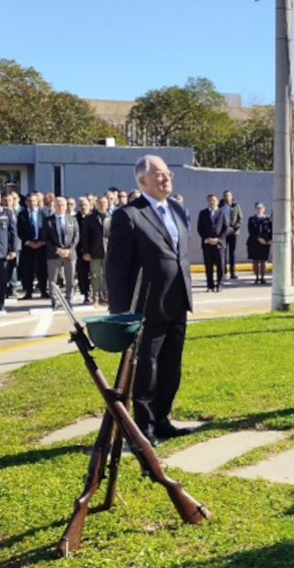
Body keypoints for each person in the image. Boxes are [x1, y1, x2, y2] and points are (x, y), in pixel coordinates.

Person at [106, 154, 193, 447]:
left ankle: (162, 418)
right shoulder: (129, 215)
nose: (166, 178)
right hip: (146, 307)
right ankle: (144, 428)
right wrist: (122, 316)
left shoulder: (178, 210)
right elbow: (116, 269)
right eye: (158, 174)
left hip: (178, 302)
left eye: (168, 173)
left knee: (171, 366)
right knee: (148, 368)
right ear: (142, 180)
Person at [41, 196, 79, 308]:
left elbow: (76, 236)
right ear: (54, 206)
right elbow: (45, 237)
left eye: (63, 205)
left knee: (70, 278)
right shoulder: (48, 220)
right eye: (58, 205)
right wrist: (57, 250)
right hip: (54, 254)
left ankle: (69, 299)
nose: (60, 207)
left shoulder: (72, 219)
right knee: (53, 278)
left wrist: (69, 250)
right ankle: (54, 300)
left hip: (69, 253)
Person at [81, 196, 110, 307]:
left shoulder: (111, 217)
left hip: (108, 250)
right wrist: (86, 251)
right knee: (95, 275)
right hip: (94, 251)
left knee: (107, 275)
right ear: (96, 204)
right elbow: (84, 237)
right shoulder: (89, 219)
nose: (102, 205)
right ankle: (96, 297)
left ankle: (106, 296)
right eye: (100, 203)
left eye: (104, 203)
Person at [18, 193, 48, 299]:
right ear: (26, 202)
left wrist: (42, 241)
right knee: (28, 270)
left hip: (42, 245)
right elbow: (19, 230)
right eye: (29, 201)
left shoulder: (44, 213)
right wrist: (27, 242)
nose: (31, 203)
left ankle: (43, 291)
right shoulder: (21, 214)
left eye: (33, 201)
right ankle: (28, 292)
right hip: (28, 246)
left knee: (42, 269)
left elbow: (47, 228)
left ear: (37, 201)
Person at [197, 193, 228, 292]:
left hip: (219, 244)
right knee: (208, 266)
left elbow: (225, 228)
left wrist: (218, 239)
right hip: (207, 244)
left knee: (220, 265)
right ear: (207, 202)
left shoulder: (222, 212)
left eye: (214, 200)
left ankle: (219, 284)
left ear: (217, 201)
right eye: (210, 200)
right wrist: (206, 239)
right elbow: (199, 228)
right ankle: (210, 285)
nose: (212, 202)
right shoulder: (203, 213)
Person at [220, 190, 244, 280]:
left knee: (232, 253)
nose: (227, 197)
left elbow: (240, 219)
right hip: (223, 233)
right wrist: (225, 229)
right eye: (225, 195)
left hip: (233, 233)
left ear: (231, 196)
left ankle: (232, 272)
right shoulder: (220, 206)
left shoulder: (236, 206)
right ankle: (223, 272)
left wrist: (233, 228)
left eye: (228, 195)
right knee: (223, 253)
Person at [247, 203, 272, 285]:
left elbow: (271, 229)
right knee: (255, 260)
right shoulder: (252, 219)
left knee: (263, 261)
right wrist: (258, 238)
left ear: (264, 208)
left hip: (265, 241)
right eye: (257, 208)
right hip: (254, 242)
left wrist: (270, 239)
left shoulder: (268, 219)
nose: (259, 210)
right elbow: (251, 231)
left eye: (261, 208)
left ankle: (262, 277)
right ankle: (257, 277)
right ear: (255, 209)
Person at [73, 196, 91, 304]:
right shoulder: (75, 218)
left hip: (94, 250)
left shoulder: (93, 217)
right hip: (80, 250)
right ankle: (86, 293)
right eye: (81, 205)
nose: (83, 207)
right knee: (82, 273)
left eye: (85, 205)